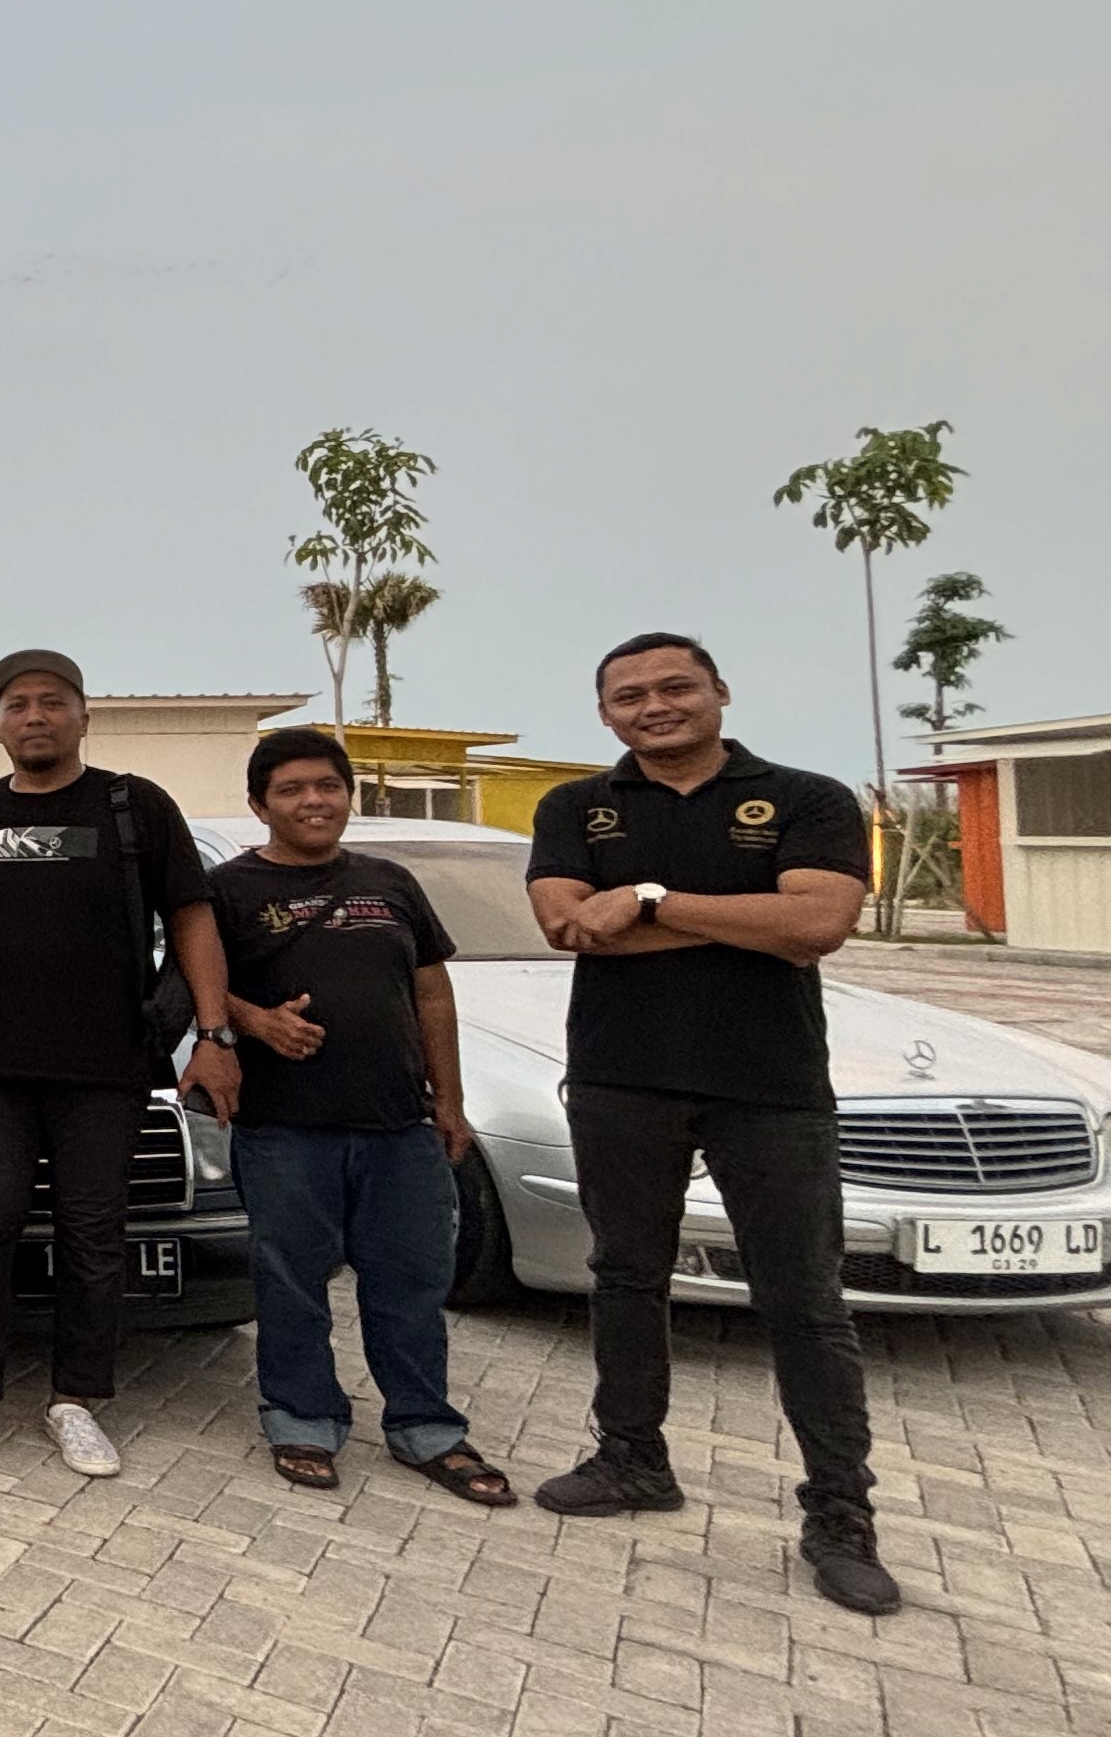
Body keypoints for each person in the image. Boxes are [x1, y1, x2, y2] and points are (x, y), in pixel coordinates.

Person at [525, 635, 897, 1615]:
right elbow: (567, 925)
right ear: (605, 713)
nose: (654, 706)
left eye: (675, 687)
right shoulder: (576, 806)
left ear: (719, 691)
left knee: (804, 1301)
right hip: (620, 1078)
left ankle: (840, 1514)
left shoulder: (807, 798)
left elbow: (816, 926)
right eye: (629, 696)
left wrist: (645, 900)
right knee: (625, 1276)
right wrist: (749, 920)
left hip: (769, 1088)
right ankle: (632, 1459)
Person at [0, 651, 238, 1482]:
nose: (35, 716)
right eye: (18, 705)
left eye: (53, 702)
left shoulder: (134, 805)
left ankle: (77, 1400)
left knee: (94, 1234)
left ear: (84, 717)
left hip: (107, 1067)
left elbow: (193, 917)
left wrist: (215, 1036)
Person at [209, 727, 511, 1504]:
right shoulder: (229, 890)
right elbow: (192, 981)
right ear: (259, 806)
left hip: (398, 1125)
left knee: (410, 1281)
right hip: (284, 1127)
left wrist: (449, 1099)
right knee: (292, 1282)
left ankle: (424, 1426)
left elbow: (431, 990)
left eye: (327, 786)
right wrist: (257, 1021)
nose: (313, 801)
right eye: (291, 790)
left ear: (348, 795)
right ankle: (303, 1418)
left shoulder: (391, 882)